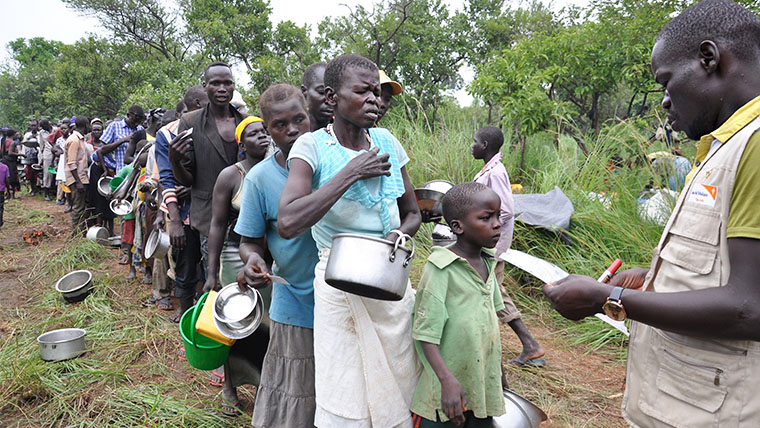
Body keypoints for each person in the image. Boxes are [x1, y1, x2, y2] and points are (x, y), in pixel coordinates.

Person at [543, 1, 760, 426]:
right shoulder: (726, 146)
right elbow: (727, 272)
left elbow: (749, 307)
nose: (664, 101)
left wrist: (610, 298)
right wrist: (653, 280)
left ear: (709, 58)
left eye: (666, 81)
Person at [279, 54, 422, 428]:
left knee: (399, 379)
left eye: (376, 92)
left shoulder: (388, 141)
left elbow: (413, 212)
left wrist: (399, 234)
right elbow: (288, 221)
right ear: (332, 96)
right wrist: (350, 173)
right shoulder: (310, 148)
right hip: (338, 286)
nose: (374, 99)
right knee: (346, 388)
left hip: (389, 280)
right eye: (363, 91)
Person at [236, 83, 320, 427]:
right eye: (280, 125)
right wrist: (252, 259)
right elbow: (250, 241)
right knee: (296, 396)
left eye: (299, 120)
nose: (292, 130)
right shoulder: (259, 179)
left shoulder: (335, 163)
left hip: (347, 301)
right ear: (268, 129)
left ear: (310, 117)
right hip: (296, 303)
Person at [411, 182, 506, 427]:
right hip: (445, 395)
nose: (496, 224)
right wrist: (447, 381)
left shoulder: (488, 263)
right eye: (486, 218)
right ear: (457, 226)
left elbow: (490, 323)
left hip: (481, 388)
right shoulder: (441, 268)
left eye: (498, 216)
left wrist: (498, 373)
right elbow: (425, 333)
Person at [170, 61, 248, 317]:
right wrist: (175, 159)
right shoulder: (190, 121)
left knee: (244, 278)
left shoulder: (245, 121)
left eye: (227, 82)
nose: (222, 88)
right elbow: (186, 180)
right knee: (215, 278)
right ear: (205, 87)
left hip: (245, 215)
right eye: (215, 83)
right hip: (209, 216)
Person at [471, 126, 545, 367]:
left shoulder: (497, 172)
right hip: (488, 243)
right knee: (489, 291)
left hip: (491, 245)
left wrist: (485, 231)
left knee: (494, 292)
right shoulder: (490, 169)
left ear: (485, 146)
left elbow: (505, 210)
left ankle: (530, 344)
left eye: (475, 142)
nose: (472, 146)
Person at [155, 85, 209, 322]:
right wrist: (174, 220)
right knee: (185, 270)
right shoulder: (167, 135)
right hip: (185, 215)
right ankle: (188, 326)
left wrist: (195, 188)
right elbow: (166, 179)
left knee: (211, 273)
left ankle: (208, 326)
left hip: (213, 214)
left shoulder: (220, 126)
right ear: (197, 104)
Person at [96, 105, 145, 173]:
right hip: (121, 171)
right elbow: (102, 150)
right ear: (128, 115)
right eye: (134, 121)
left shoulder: (140, 129)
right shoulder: (114, 126)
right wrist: (123, 140)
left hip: (137, 172)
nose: (136, 124)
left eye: (139, 122)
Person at [65, 116, 91, 236]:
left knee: (82, 207)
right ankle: (76, 235)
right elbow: (71, 163)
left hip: (82, 178)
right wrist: (78, 182)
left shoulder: (80, 139)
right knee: (78, 208)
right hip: (77, 179)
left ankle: (80, 232)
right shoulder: (74, 140)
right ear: (85, 125)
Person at [301, 62, 333, 131]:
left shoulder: (347, 137)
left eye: (332, 94)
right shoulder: (291, 135)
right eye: (321, 92)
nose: (329, 100)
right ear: (304, 92)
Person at [22, 120, 41, 196]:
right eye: (32, 125)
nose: (33, 127)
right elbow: (24, 145)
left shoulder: (40, 135)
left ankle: (37, 187)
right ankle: (32, 188)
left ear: (37, 126)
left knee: (37, 173)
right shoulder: (27, 135)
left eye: (34, 125)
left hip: (38, 156)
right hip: (29, 157)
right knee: (30, 174)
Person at [1, 128, 21, 199]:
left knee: (6, 177)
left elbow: (2, 152)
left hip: (4, 160)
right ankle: (12, 195)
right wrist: (20, 154)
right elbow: (10, 152)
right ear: (13, 135)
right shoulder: (12, 142)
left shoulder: (5, 142)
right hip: (10, 162)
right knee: (12, 177)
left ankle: (8, 193)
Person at [38, 119, 55, 201]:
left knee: (56, 171)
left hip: (57, 153)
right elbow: (41, 145)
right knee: (48, 173)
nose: (44, 128)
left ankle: (54, 190)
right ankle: (46, 192)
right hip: (48, 154)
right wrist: (41, 158)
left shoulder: (55, 130)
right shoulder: (42, 133)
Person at [0, 159, 9, 229]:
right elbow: (7, 180)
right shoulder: (5, 167)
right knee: (0, 207)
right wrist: (8, 190)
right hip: (1, 190)